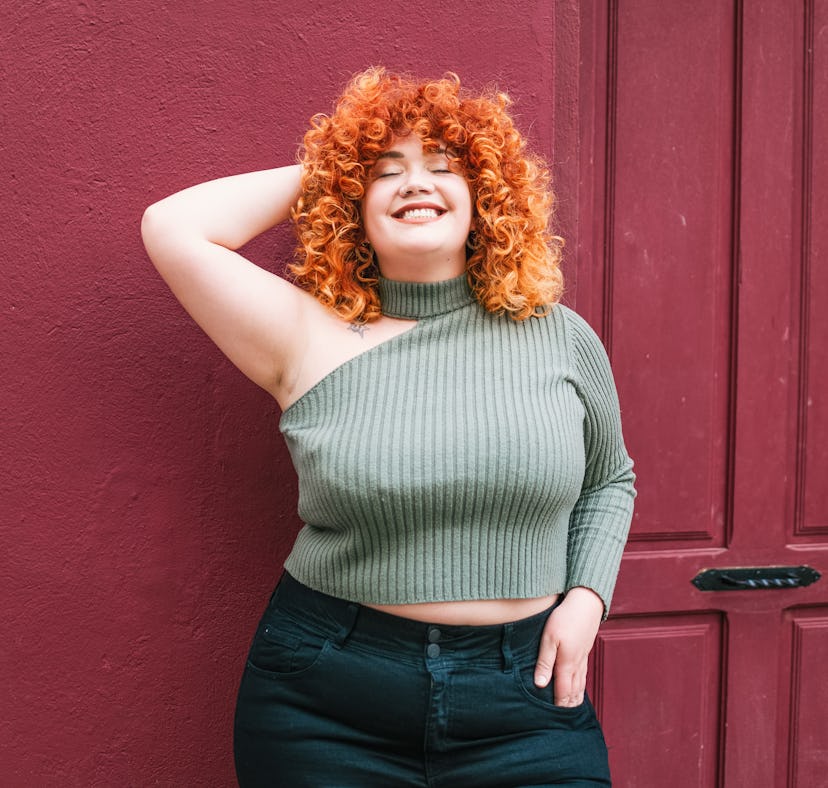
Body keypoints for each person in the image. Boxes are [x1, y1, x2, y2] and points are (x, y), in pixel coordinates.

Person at [142, 67, 636, 787]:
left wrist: (587, 598)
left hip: (525, 700)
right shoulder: (303, 336)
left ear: (488, 198)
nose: (416, 184)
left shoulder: (560, 337)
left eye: (444, 169)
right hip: (326, 702)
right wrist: (339, 164)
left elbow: (610, 477)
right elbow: (173, 226)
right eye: (386, 174)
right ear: (351, 203)